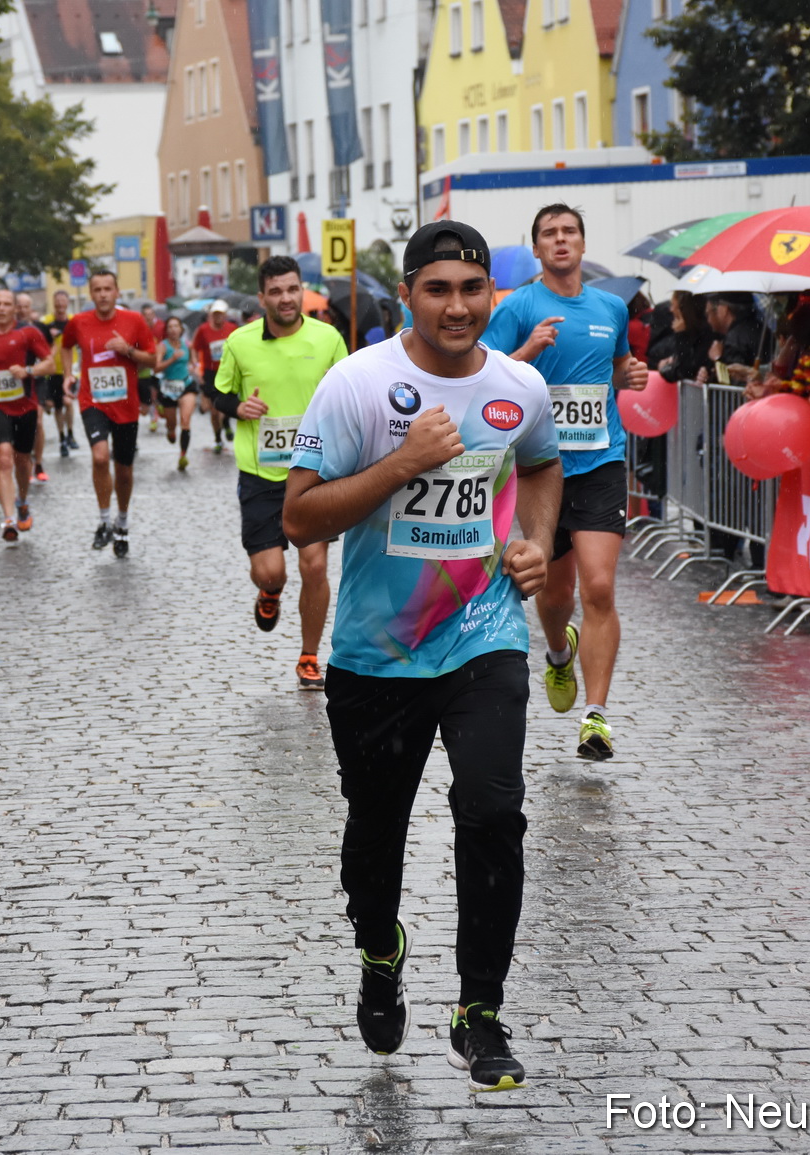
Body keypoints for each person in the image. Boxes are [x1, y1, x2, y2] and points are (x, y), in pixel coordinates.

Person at [282, 220, 562, 1092]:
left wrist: (535, 542)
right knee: (375, 837)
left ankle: (480, 1011)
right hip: (375, 652)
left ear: (492, 295)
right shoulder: (357, 385)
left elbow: (544, 468)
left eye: (472, 289)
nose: (457, 306)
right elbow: (299, 517)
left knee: (493, 809)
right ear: (407, 294)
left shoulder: (521, 385)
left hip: (483, 634)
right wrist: (404, 462)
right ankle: (380, 948)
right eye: (437, 289)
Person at [483, 203, 648, 761]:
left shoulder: (610, 306)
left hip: (601, 462)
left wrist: (632, 375)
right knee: (555, 597)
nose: (560, 241)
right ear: (536, 249)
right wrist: (527, 351)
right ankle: (559, 652)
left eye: (569, 231)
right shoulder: (519, 306)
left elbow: (619, 364)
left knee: (598, 588)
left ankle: (596, 717)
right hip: (539, 468)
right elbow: (487, 374)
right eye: (549, 234)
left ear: (582, 241)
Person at [211, 256, 347, 688]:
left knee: (314, 566)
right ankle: (269, 592)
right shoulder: (239, 342)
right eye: (276, 291)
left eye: (292, 289)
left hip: (316, 471)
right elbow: (217, 395)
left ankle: (310, 655)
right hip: (261, 474)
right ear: (262, 297)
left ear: (301, 290)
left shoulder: (328, 338)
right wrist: (238, 407)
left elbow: (351, 391)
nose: (286, 298)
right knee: (271, 571)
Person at [56, 270, 156, 557]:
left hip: (126, 406)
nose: (102, 294)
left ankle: (121, 522)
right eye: (97, 289)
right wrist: (67, 374)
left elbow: (152, 358)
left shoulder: (133, 321)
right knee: (100, 457)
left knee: (124, 469)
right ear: (90, 294)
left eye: (107, 289)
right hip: (93, 402)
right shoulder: (79, 322)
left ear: (116, 292)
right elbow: (65, 347)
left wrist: (128, 351)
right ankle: (103, 521)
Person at [0, 289, 52, 542]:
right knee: (3, 458)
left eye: (7, 304)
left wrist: (28, 370)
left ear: (15, 308)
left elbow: (49, 362)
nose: (2, 308)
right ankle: (8, 520)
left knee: (22, 460)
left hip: (25, 405)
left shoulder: (28, 333)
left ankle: (22, 501)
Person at [192, 301, 239, 453]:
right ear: (211, 315)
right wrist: (196, 365)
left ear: (225, 314)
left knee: (223, 407)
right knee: (213, 411)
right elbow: (194, 348)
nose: (218, 316)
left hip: (228, 373)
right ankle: (218, 439)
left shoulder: (232, 329)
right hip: (210, 373)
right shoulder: (203, 330)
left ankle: (225, 424)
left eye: (220, 313)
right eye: (215, 313)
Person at [14, 292, 50, 483]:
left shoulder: (40, 328)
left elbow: (48, 357)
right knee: (18, 424)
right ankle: (23, 462)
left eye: (25, 306)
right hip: (15, 381)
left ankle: (38, 463)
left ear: (31, 308)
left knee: (37, 422)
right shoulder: (8, 329)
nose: (21, 310)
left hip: (36, 380)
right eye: (18, 306)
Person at [154, 316, 198, 468]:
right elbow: (156, 368)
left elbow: (194, 363)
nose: (173, 329)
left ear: (181, 329)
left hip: (186, 385)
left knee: (185, 421)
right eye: (170, 327)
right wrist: (172, 359)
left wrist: (194, 368)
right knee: (172, 425)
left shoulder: (188, 344)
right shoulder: (163, 346)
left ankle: (183, 455)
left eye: (176, 326)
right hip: (168, 388)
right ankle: (170, 430)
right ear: (166, 330)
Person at [40, 289, 79, 458]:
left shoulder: (74, 321)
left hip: (70, 369)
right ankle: (62, 437)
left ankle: (70, 433)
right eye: (57, 302)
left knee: (68, 402)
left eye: (63, 302)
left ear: (68, 303)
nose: (60, 305)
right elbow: (39, 340)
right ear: (53, 303)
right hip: (52, 370)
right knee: (57, 406)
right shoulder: (46, 322)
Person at [140, 301, 161, 430]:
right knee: (148, 398)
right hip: (144, 370)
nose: (149, 316)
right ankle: (152, 413)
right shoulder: (139, 330)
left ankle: (155, 417)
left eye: (151, 314)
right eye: (146, 314)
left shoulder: (159, 328)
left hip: (158, 368)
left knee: (155, 393)